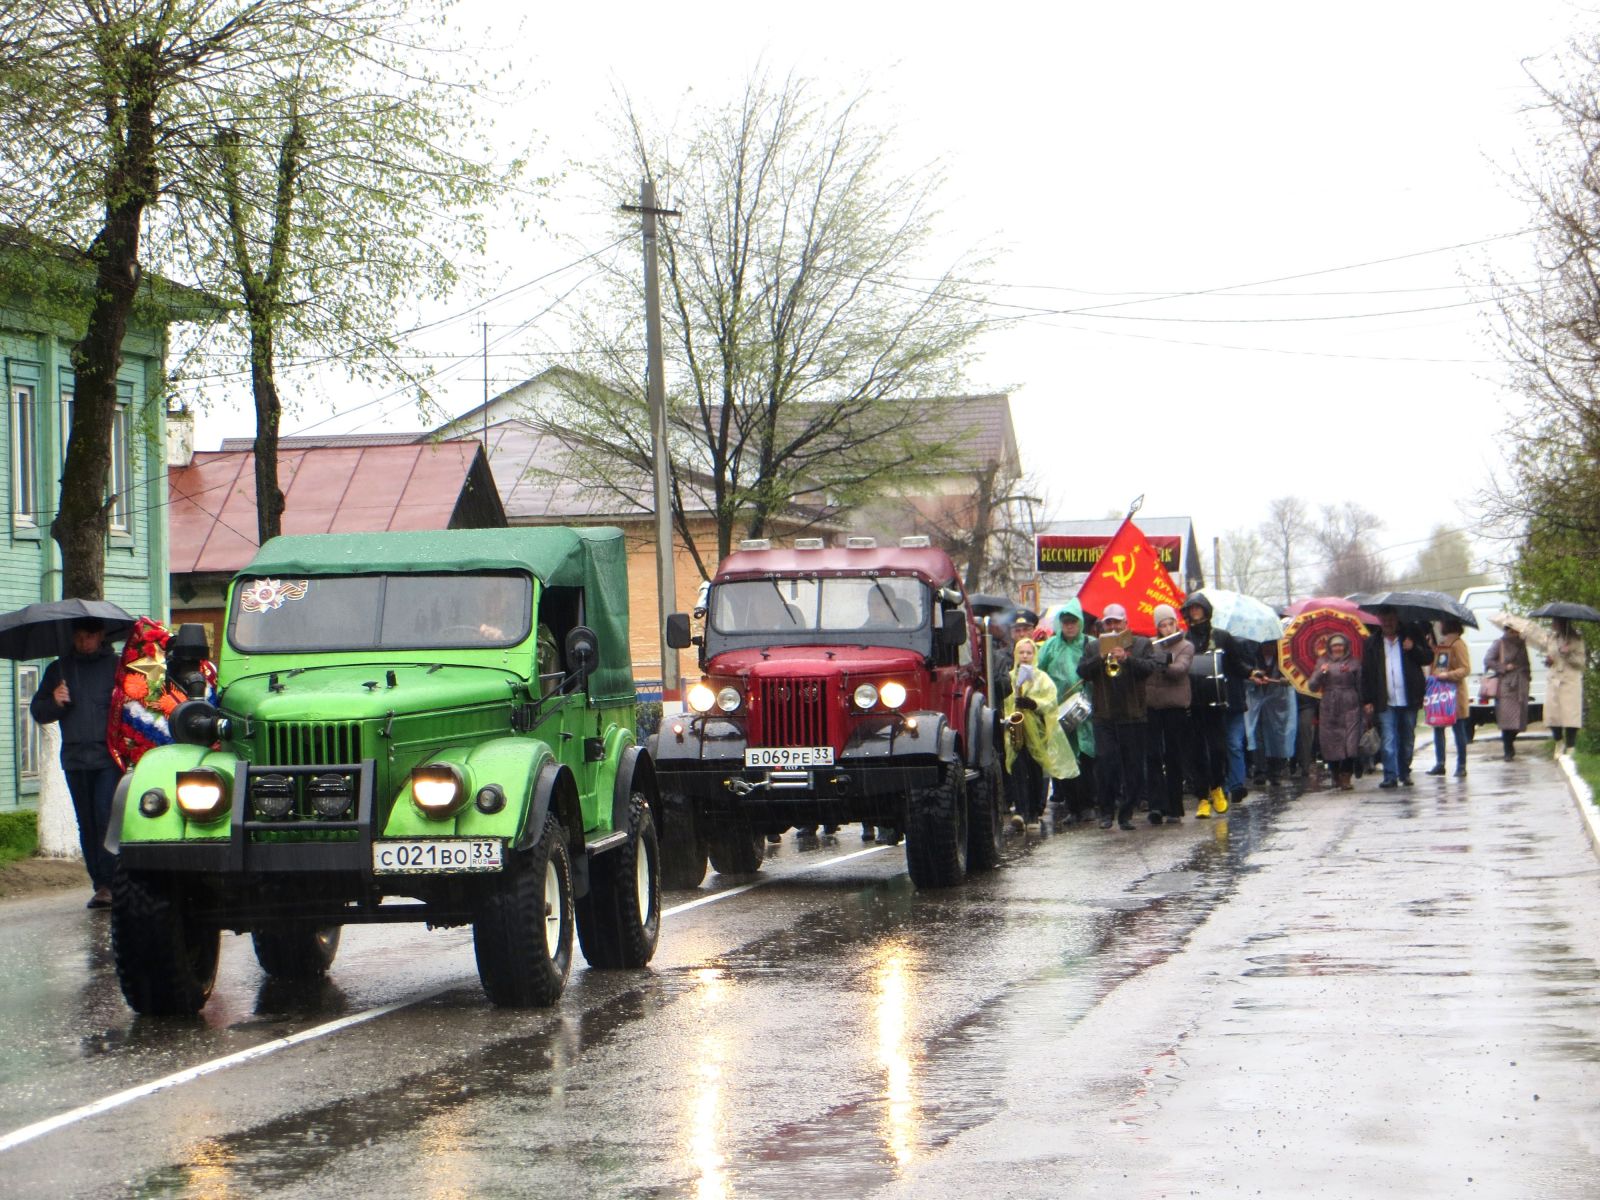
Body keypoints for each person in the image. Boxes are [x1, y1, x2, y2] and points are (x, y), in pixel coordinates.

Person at [29, 617, 123, 908]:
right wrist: (55, 701)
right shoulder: (59, 669)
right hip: (74, 758)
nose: (84, 642)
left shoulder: (117, 668)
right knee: (87, 823)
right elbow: (39, 711)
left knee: (105, 816)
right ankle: (100, 883)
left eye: (89, 637)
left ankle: (112, 882)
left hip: (108, 757)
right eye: (79, 637)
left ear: (101, 636)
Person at [1076, 603, 1157, 831]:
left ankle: (1127, 813)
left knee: (1133, 768)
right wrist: (1100, 658)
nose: (1112, 626)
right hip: (1105, 716)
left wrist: (1126, 659)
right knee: (1105, 765)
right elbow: (1081, 672)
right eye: (1108, 622)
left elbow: (1150, 668)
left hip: (1134, 716)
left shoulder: (1141, 643)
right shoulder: (1094, 647)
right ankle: (1106, 812)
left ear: (1125, 624)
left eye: (1116, 622)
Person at [1182, 593, 1253, 816]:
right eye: (1191, 608)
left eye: (1198, 608)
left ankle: (1217, 788)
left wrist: (1252, 672)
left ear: (1205, 610)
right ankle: (1202, 797)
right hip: (1193, 704)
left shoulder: (1222, 637)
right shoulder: (1184, 640)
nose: (1194, 612)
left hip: (1216, 702)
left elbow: (1236, 664)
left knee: (1218, 749)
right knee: (1196, 752)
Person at [1003, 637, 1078, 830]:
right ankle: (1020, 810)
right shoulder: (1009, 678)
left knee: (1035, 771)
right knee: (1017, 768)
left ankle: (1034, 812)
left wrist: (1033, 704)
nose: (1025, 656)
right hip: (1016, 731)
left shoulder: (1042, 678)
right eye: (1022, 652)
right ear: (1016, 655)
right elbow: (1003, 702)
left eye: (1029, 652)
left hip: (1038, 732)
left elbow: (1051, 701)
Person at [1037, 600, 1097, 825]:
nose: (1070, 626)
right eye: (1066, 622)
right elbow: (1039, 674)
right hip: (1058, 711)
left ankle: (1089, 805)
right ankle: (1072, 807)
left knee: (1087, 759)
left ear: (1080, 623)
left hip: (1086, 710)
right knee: (1066, 760)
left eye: (1073, 622)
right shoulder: (1050, 646)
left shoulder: (1090, 644)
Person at [1360, 608, 1432, 788]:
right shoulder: (1372, 643)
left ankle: (1405, 772)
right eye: (1384, 619)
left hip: (1409, 698)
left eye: (1391, 619)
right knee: (1389, 739)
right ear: (1379, 620)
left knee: (1407, 738)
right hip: (1385, 700)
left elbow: (1428, 657)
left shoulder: (1411, 634)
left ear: (1397, 619)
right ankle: (1390, 775)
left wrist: (1413, 648)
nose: (1388, 623)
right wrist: (1367, 700)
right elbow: (1366, 673)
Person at [1142, 604, 1193, 823]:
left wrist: (1164, 663)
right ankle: (1156, 805)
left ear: (1175, 623)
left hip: (1174, 707)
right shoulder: (1151, 646)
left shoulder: (1185, 645)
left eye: (1169, 623)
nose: (1166, 628)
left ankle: (1174, 806)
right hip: (1153, 707)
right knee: (1153, 756)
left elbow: (1180, 670)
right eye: (1162, 625)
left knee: (1173, 756)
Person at [1523, 616, 1587, 754]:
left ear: (1562, 623)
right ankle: (1559, 742)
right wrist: (1549, 661)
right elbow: (1551, 654)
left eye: (1555, 622)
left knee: (1570, 715)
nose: (1552, 624)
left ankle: (1571, 746)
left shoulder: (1576, 639)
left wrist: (1568, 653)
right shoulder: (1552, 638)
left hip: (1569, 680)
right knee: (1552, 714)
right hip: (1554, 679)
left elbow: (1581, 663)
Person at [1308, 634, 1363, 790]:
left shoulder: (1354, 662)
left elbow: (1360, 684)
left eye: (1340, 645)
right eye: (1334, 646)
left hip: (1350, 703)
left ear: (1346, 646)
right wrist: (1321, 672)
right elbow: (1312, 686)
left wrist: (1364, 704)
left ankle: (1346, 775)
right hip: (1329, 706)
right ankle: (1335, 773)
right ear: (1329, 648)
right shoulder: (1322, 662)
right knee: (1330, 741)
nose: (1338, 648)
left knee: (1350, 740)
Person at [1246, 638, 1297, 786]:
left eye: (1272, 645)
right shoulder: (1253, 659)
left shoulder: (1285, 660)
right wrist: (1255, 678)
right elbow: (1247, 677)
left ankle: (1275, 771)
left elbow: (1293, 677)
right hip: (1258, 703)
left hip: (1278, 703)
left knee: (1277, 736)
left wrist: (1286, 680)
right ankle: (1260, 771)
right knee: (1259, 735)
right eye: (1265, 644)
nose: (1268, 648)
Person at [1425, 617, 1471, 777]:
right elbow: (1436, 666)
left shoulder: (1458, 644)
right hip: (1439, 693)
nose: (1440, 625)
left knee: (1459, 730)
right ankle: (1440, 763)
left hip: (1455, 694)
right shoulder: (1441, 644)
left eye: (1442, 623)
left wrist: (1447, 675)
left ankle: (1461, 765)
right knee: (1438, 728)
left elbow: (1465, 669)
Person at [1483, 621, 1532, 760]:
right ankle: (1508, 749)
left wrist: (1528, 678)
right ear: (1508, 630)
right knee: (1507, 719)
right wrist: (1503, 667)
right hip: (1506, 686)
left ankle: (1510, 743)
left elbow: (1526, 664)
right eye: (1513, 631)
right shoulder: (1499, 643)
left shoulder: (1522, 644)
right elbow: (1488, 660)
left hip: (1520, 685)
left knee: (1519, 720)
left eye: (1517, 631)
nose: (1515, 634)